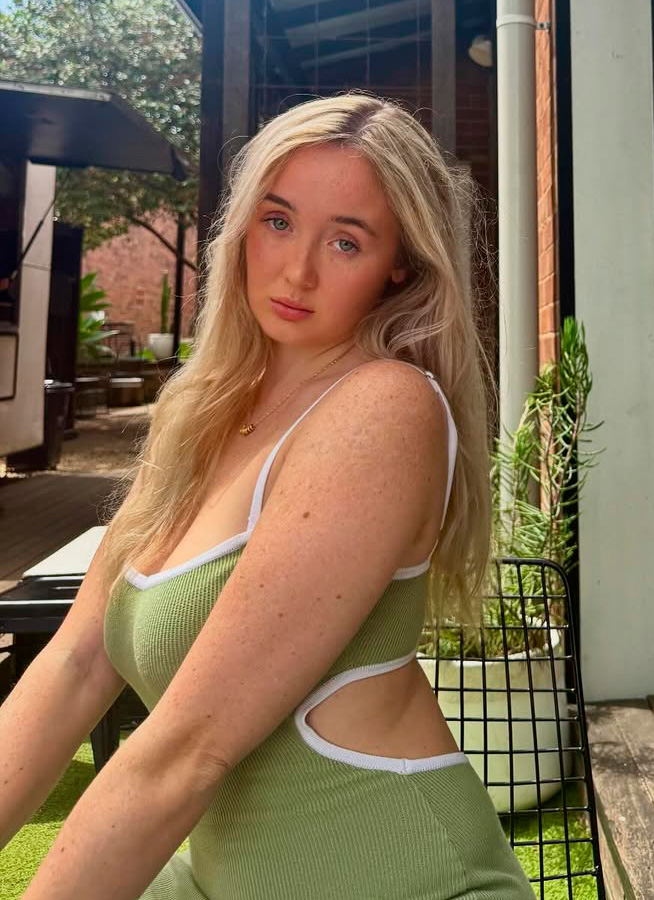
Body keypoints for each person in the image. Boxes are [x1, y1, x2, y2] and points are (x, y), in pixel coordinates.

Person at [1, 92, 536, 899]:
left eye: (346, 241)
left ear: (400, 265)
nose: (297, 270)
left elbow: (186, 752)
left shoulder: (384, 409)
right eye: (277, 221)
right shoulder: (204, 412)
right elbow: (75, 665)